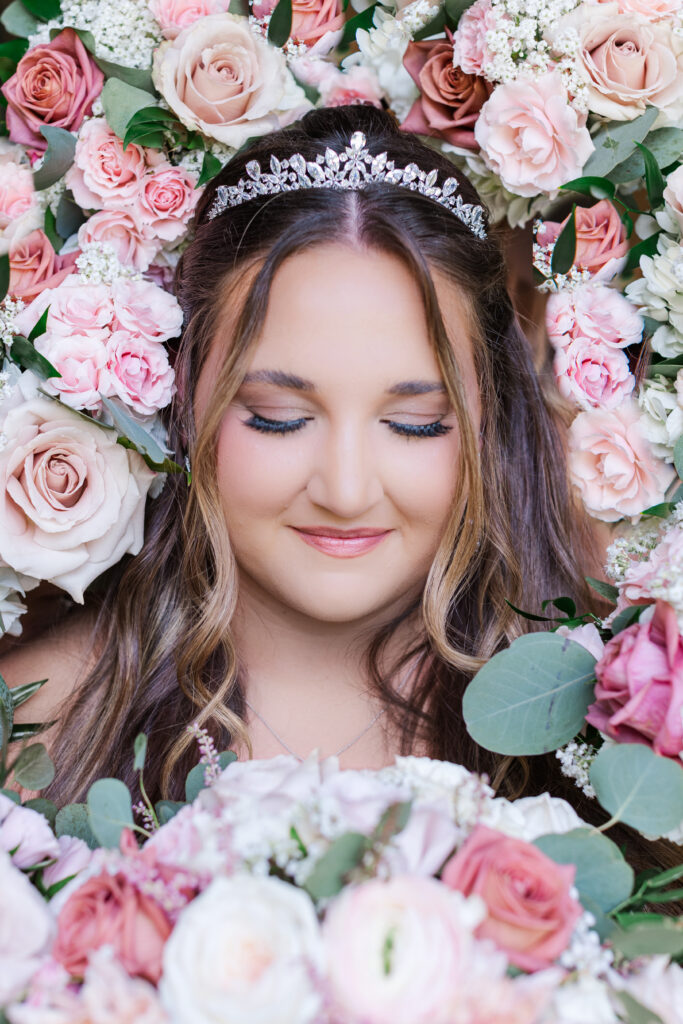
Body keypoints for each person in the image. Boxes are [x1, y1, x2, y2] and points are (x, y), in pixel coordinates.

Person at [0, 104, 600, 808]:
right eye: (278, 419)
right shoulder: (31, 735)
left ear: (487, 422)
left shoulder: (605, 733)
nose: (344, 491)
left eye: (414, 424)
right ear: (183, 400)